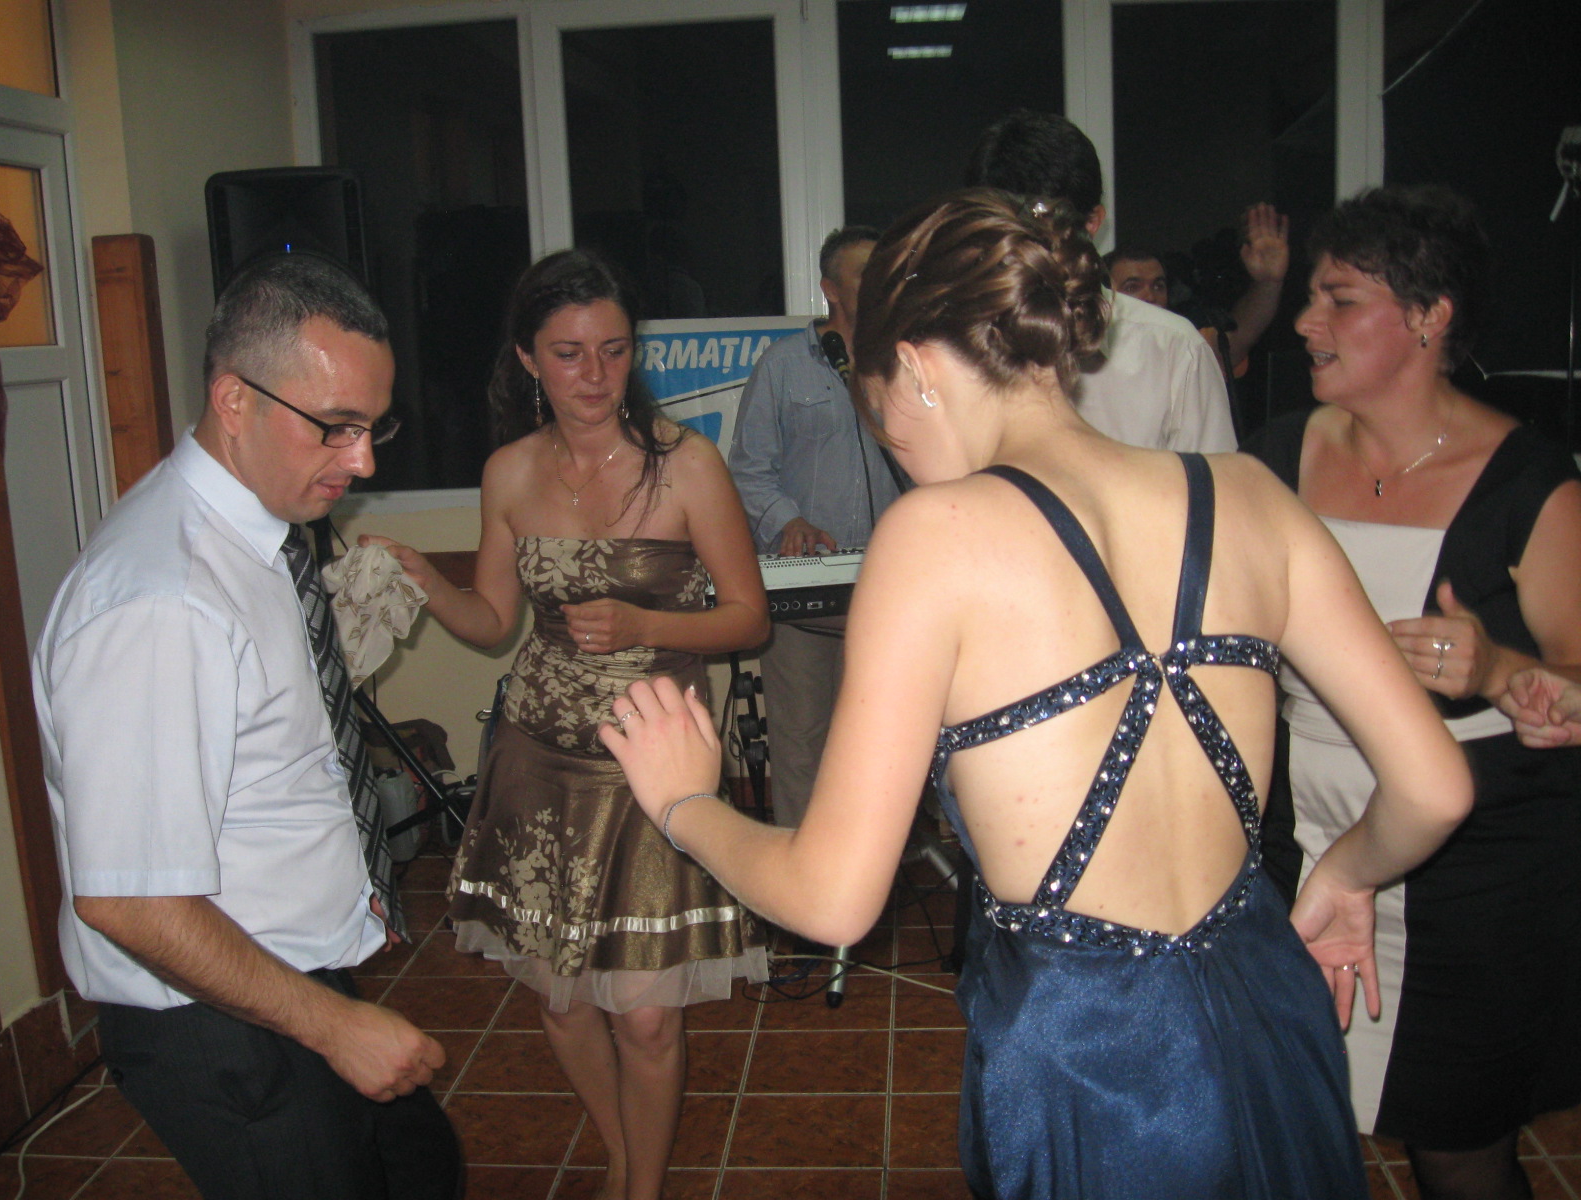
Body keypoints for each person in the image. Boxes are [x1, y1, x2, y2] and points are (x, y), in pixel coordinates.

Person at [598, 189, 1473, 1199]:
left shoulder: (934, 540)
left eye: (881, 416)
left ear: (916, 367)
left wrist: (684, 802)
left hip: (1093, 1064)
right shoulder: (1249, 493)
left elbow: (832, 897)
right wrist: (1348, 876)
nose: (896, 452)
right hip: (1269, 1010)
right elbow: (1434, 787)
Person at [33, 253, 461, 1199]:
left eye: (376, 425)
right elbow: (131, 901)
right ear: (234, 400)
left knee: (422, 1167)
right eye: (336, 427)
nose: (365, 461)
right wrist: (334, 1026)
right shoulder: (163, 600)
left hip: (278, 974)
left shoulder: (258, 536)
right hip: (210, 1016)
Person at [369, 248, 770, 1200]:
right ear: (526, 359)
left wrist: (645, 625)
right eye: (568, 354)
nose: (595, 375)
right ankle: (623, 1155)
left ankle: (644, 1187)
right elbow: (492, 622)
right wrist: (426, 582)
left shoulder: (687, 465)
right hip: (537, 760)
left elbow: (749, 619)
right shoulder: (509, 471)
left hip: (653, 765)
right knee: (560, 999)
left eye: (615, 351)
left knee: (647, 1014)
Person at [1244, 183, 1581, 1199]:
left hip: (1475, 866)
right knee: (1293, 1116)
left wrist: (1499, 671)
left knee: (1456, 1144)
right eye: (1310, 297)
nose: (1306, 323)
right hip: (1298, 834)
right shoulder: (1275, 456)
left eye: (1339, 300)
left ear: (1430, 318)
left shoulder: (1530, 482)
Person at [726, 225, 902, 827]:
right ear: (830, 288)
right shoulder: (782, 366)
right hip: (804, 595)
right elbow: (748, 469)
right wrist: (788, 522)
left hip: (890, 590)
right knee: (802, 742)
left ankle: (871, 862)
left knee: (881, 743)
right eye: (864, 274)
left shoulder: (908, 363)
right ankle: (800, 865)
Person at [966, 109, 1237, 453]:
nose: (1023, 252)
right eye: (1000, 231)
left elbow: (1215, 484)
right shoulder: (949, 346)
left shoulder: (1173, 351)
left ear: (1092, 222)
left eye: (1038, 232)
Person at [1105, 201, 1290, 379]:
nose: (1150, 296)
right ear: (1105, 296)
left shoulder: (1184, 344)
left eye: (1158, 286)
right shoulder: (1092, 352)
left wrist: (1268, 282)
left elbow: (1235, 343)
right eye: (1132, 287)